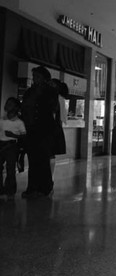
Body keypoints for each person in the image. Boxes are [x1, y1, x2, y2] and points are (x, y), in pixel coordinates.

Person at [20, 66, 59, 199]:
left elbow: (52, 108)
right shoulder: (29, 92)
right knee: (32, 159)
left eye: (37, 76)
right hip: (31, 129)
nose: (35, 79)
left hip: (44, 130)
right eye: (34, 76)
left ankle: (46, 188)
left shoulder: (50, 91)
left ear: (44, 78)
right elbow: (24, 107)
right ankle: (32, 187)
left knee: (43, 158)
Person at [0, 97, 26, 199]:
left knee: (10, 168)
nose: (7, 105)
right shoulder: (2, 120)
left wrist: (13, 135)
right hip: (1, 145)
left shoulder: (19, 122)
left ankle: (10, 189)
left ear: (16, 108)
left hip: (11, 146)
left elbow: (24, 136)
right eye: (7, 103)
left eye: (10, 104)